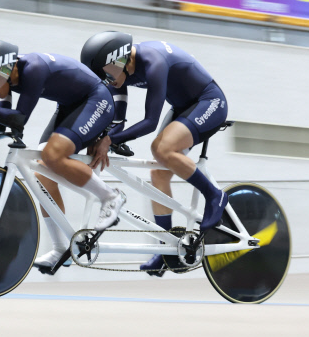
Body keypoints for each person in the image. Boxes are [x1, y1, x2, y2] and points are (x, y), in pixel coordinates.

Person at [0, 38, 126, 269]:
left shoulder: (34, 68)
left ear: (2, 70)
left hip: (97, 100)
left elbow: (20, 118)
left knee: (52, 155)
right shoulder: (10, 79)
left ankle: (111, 197)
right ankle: (62, 249)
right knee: (42, 172)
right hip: (71, 106)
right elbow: (1, 124)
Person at [80, 31, 228, 275]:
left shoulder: (153, 61)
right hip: (183, 107)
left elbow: (150, 121)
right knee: (158, 173)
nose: (106, 81)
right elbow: (117, 122)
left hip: (209, 101)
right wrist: (100, 137)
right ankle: (165, 249)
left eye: (106, 75)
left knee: (161, 148)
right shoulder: (119, 72)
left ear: (121, 60)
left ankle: (214, 196)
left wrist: (109, 140)